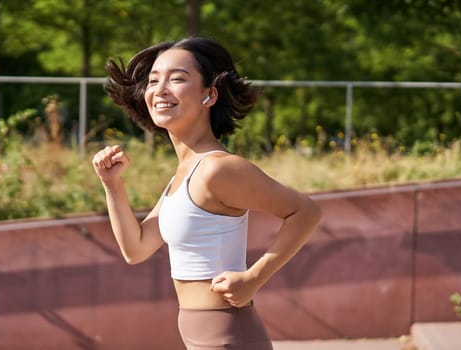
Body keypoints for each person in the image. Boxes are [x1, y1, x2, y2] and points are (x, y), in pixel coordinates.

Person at [92, 37, 322, 350]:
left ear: (209, 95)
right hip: (199, 331)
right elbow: (137, 248)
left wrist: (254, 278)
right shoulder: (183, 176)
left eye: (177, 79)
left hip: (227, 334)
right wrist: (112, 184)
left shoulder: (218, 169)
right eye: (154, 80)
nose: (160, 89)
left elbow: (305, 211)